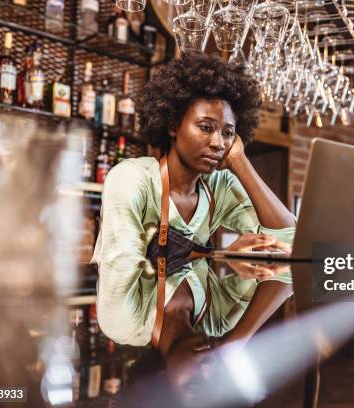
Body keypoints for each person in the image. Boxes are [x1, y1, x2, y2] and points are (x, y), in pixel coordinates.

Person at [91, 52, 296, 364]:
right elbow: (122, 264)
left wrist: (239, 160)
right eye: (206, 127)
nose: (218, 142)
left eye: (227, 132)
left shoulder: (220, 187)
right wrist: (234, 344)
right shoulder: (132, 179)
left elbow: (291, 240)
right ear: (173, 125)